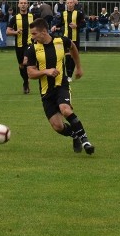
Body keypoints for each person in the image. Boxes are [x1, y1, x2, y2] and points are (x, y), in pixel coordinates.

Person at [24, 17, 95, 154]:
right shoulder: (32, 49)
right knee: (57, 126)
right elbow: (31, 74)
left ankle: (86, 141)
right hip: (46, 91)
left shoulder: (61, 41)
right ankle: (75, 136)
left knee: (65, 109)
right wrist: (46, 71)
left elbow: (73, 47)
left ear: (44, 32)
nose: (32, 37)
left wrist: (78, 67)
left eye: (34, 34)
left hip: (61, 85)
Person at [6, 0, 35, 94]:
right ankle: (26, 82)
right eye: (21, 3)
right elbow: (8, 31)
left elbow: (39, 28)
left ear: (27, 5)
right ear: (18, 5)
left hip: (30, 44)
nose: (23, 5)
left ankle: (28, 81)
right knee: (21, 65)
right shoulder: (15, 18)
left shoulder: (33, 17)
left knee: (25, 61)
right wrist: (15, 32)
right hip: (19, 45)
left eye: (25, 3)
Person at [60, 0, 85, 80]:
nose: (70, 4)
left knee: (73, 57)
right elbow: (61, 23)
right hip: (66, 38)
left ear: (74, 4)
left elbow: (84, 24)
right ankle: (69, 75)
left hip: (75, 39)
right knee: (67, 56)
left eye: (71, 3)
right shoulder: (63, 13)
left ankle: (70, 75)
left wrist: (76, 26)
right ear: (66, 4)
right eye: (68, 3)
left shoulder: (78, 13)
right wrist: (55, 26)